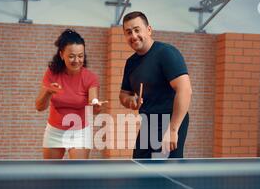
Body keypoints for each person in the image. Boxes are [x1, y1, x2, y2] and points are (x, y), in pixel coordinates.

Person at [119, 12, 192, 158]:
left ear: (149, 30)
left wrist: (173, 130)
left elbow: (185, 90)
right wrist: (130, 101)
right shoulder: (131, 63)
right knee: (140, 167)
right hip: (148, 122)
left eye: (137, 29)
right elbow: (124, 94)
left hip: (170, 121)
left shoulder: (166, 53)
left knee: (165, 174)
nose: (133, 35)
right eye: (128, 32)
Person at [35, 29, 106, 159]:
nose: (77, 60)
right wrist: (48, 92)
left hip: (80, 132)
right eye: (72, 56)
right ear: (62, 54)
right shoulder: (52, 73)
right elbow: (39, 107)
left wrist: (96, 106)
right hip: (54, 131)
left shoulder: (90, 78)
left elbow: (94, 103)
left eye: (80, 56)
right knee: (51, 175)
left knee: (78, 174)